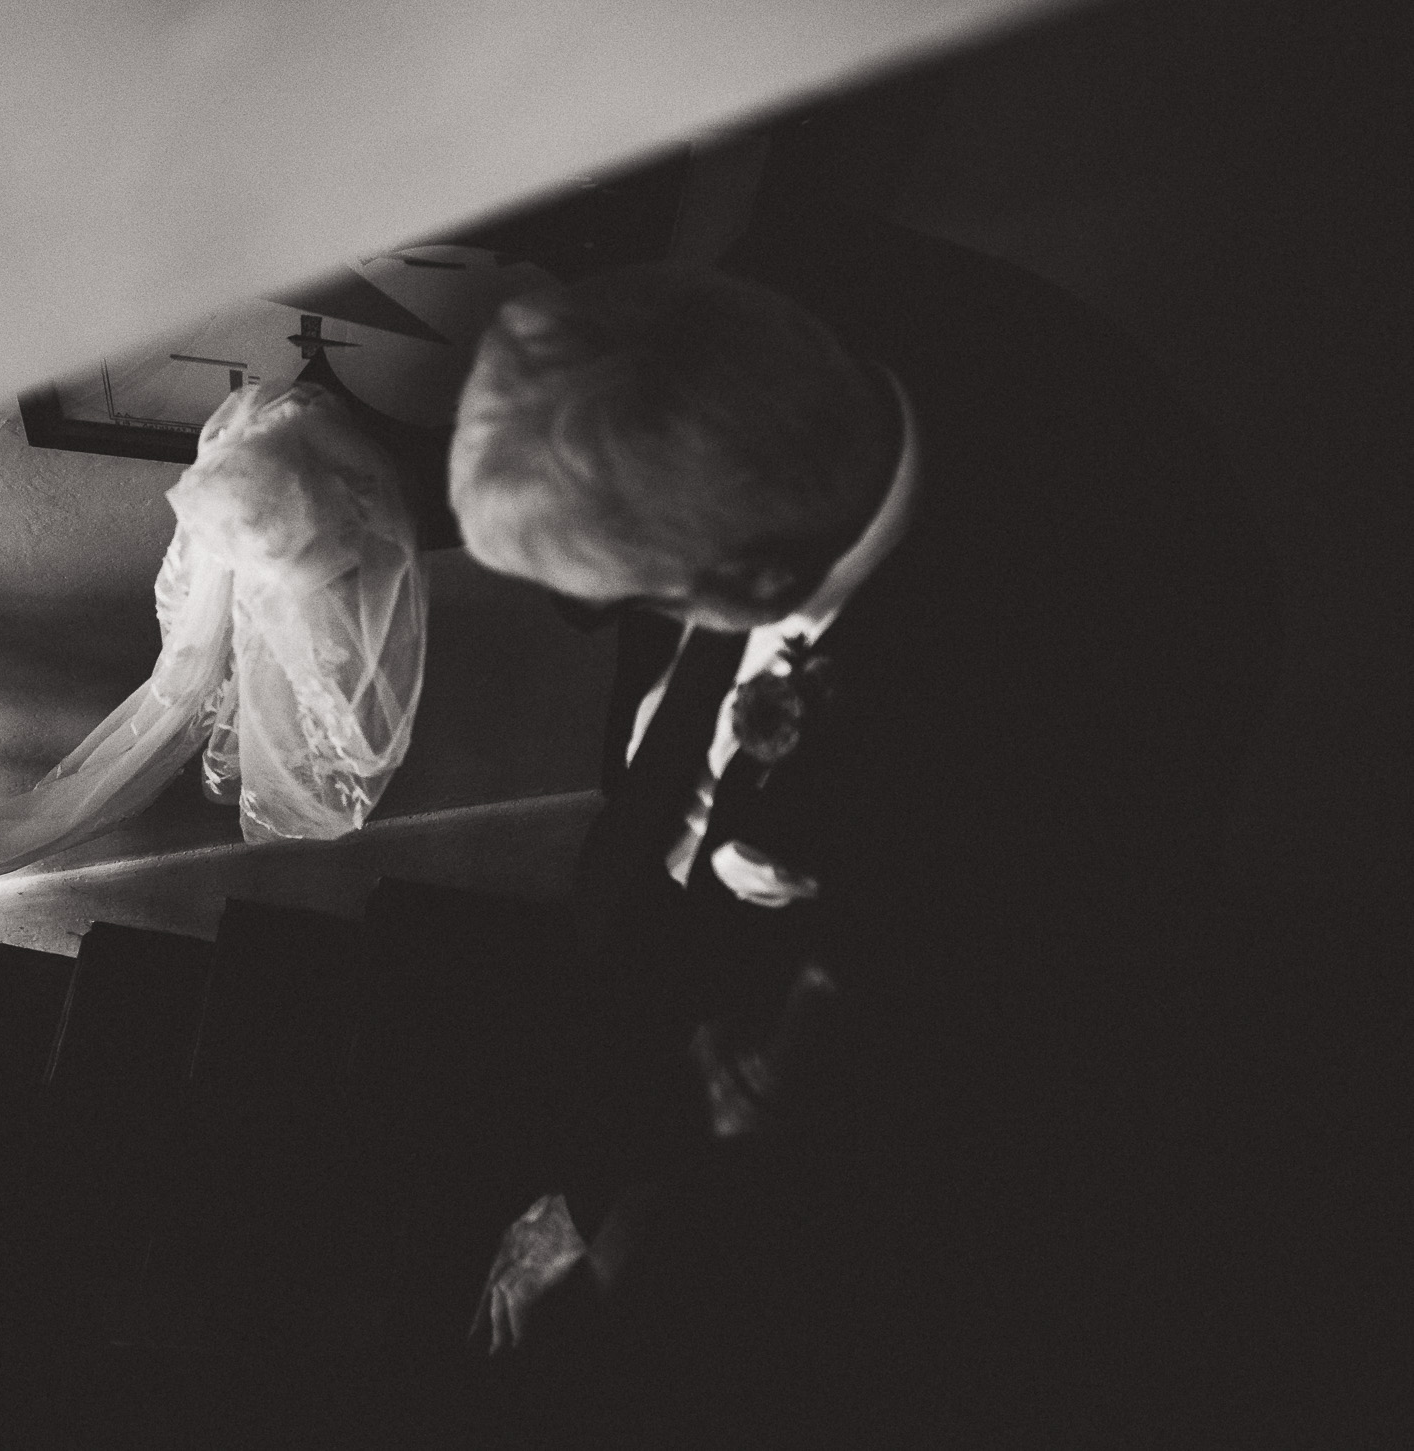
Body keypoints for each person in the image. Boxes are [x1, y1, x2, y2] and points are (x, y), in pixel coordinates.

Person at [444, 214, 1279, 1441]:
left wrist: (597, 1193)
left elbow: (904, 1019)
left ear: (746, 592)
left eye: (624, 599)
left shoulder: (1024, 757)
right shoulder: (766, 307)